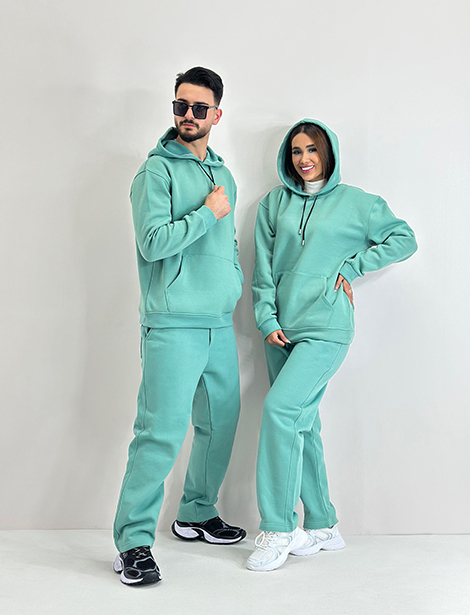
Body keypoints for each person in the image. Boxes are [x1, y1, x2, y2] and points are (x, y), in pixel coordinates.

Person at [248, 119, 417, 572]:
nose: (304, 159)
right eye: (296, 151)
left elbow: (405, 238)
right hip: (279, 329)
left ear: (328, 153)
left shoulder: (358, 203)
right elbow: (262, 268)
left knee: (280, 411)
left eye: (312, 150)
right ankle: (323, 524)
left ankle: (280, 528)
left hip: (326, 326)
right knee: (301, 423)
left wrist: (354, 265)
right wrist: (266, 318)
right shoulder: (274, 204)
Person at [113, 67, 246, 587]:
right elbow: (152, 244)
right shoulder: (155, 172)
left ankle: (196, 512)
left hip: (218, 323)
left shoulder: (224, 173)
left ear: (217, 114)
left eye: (198, 107)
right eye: (179, 105)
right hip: (172, 324)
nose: (188, 115)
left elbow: (227, 244)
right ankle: (133, 543)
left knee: (221, 424)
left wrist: (233, 280)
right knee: (160, 434)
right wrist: (208, 213)